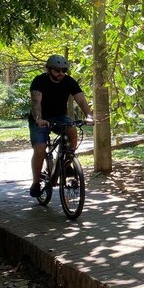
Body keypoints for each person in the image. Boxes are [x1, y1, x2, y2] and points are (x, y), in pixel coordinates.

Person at [28, 55, 93, 197]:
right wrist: (39, 119)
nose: (61, 74)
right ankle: (36, 183)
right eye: (57, 71)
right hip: (40, 118)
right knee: (40, 148)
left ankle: (68, 160)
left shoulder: (69, 81)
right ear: (48, 69)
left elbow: (81, 100)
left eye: (64, 70)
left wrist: (89, 116)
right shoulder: (39, 81)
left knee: (72, 129)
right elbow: (36, 102)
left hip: (59, 117)